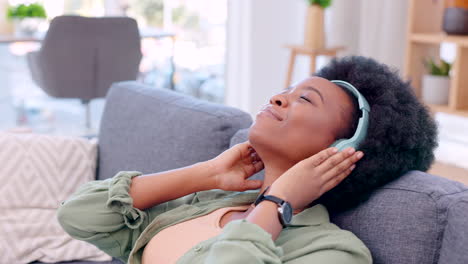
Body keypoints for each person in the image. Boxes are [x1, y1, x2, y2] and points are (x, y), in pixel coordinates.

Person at [57, 56, 437, 264]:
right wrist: (206, 173)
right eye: (286, 91)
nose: (276, 98)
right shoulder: (206, 203)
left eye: (304, 99)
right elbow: (77, 215)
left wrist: (277, 204)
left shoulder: (333, 253)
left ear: (339, 150)